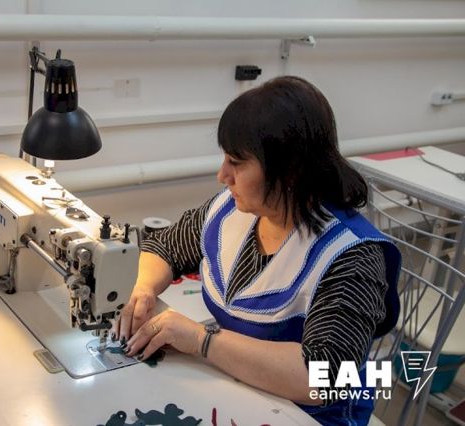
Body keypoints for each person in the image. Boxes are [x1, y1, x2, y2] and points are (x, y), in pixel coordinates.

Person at [113, 76, 401, 426]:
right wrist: (143, 289)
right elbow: (165, 247)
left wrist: (201, 340)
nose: (222, 175)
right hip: (240, 388)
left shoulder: (352, 257)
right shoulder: (231, 210)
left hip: (310, 416)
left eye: (236, 162)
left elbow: (323, 378)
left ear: (290, 170)